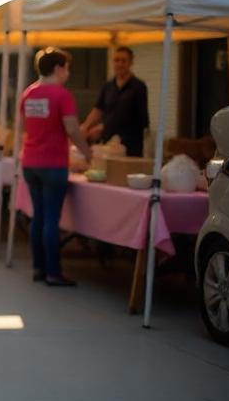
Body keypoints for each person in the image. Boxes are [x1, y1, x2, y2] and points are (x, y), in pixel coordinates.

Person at [20, 48, 92, 287]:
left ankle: (38, 268)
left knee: (38, 216)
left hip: (30, 161)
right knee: (52, 218)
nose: (68, 73)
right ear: (59, 68)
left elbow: (23, 127)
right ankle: (53, 272)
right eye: (67, 68)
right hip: (53, 163)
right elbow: (71, 128)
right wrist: (88, 153)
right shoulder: (61, 95)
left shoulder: (28, 94)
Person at [81, 46, 149, 157]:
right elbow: (98, 108)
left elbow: (141, 119)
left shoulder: (139, 87)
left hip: (130, 145)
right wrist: (85, 127)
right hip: (108, 143)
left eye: (123, 61)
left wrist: (105, 126)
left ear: (131, 63)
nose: (119, 64)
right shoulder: (107, 86)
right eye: (116, 60)